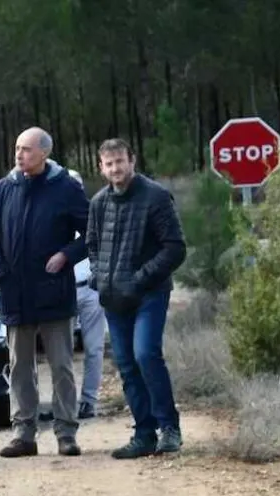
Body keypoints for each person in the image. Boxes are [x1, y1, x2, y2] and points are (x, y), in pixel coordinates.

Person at [0, 127, 89, 458]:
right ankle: (23, 433)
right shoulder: (3, 190)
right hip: (15, 295)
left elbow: (90, 233)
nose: (19, 154)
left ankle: (66, 432)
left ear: (44, 153)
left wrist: (65, 255)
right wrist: (0, 274)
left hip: (54, 293)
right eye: (16, 148)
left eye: (26, 149)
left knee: (61, 367)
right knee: (19, 368)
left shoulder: (66, 188)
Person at [87, 138, 187, 458]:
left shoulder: (156, 196)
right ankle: (144, 433)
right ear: (101, 168)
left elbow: (175, 248)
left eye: (120, 161)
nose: (115, 168)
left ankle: (169, 427)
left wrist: (140, 278)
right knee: (127, 365)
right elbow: (92, 246)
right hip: (114, 298)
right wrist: (101, 278)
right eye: (109, 163)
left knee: (145, 354)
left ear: (133, 160)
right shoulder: (99, 203)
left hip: (150, 294)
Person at [39, 168, 106, 422]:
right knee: (60, 352)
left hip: (90, 289)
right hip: (62, 289)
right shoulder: (51, 218)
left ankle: (89, 401)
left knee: (94, 348)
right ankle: (62, 404)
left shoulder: (92, 216)